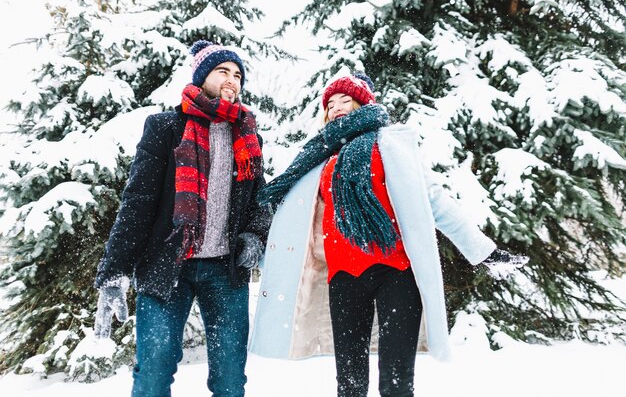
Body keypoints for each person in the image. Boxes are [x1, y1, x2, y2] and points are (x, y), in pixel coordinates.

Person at [249, 72, 528, 397]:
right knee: (349, 384)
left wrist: (483, 250)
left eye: (345, 100)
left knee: (396, 381)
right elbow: (292, 224)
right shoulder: (317, 158)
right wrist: (258, 250)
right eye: (331, 104)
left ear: (363, 104)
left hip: (395, 273)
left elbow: (434, 200)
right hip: (343, 279)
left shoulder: (390, 145)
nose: (337, 108)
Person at [93, 40, 271, 397]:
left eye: (237, 75)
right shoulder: (165, 128)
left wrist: (254, 235)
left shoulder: (247, 136)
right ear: (203, 76)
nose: (232, 80)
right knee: (154, 375)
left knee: (230, 380)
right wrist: (114, 271)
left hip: (225, 270)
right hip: (167, 266)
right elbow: (138, 201)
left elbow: (258, 200)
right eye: (223, 71)